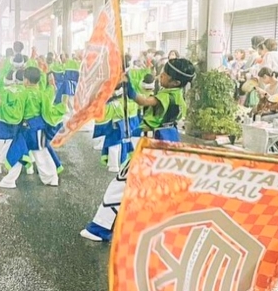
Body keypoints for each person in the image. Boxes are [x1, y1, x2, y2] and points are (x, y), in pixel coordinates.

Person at [81, 58, 196, 242]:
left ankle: (100, 228)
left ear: (176, 82)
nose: (161, 75)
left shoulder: (167, 96)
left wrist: (130, 88)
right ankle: (162, 229)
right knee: (158, 188)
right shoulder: (179, 96)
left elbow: (143, 100)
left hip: (151, 146)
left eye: (165, 74)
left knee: (121, 185)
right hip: (168, 144)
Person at [0, 66, 64, 189]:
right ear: (38, 80)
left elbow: (16, 114)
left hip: (26, 129)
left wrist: (2, 105)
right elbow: (49, 112)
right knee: (42, 154)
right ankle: (52, 178)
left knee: (18, 152)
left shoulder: (23, 94)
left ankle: (9, 181)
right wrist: (62, 108)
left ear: (25, 80)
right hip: (39, 129)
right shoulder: (42, 94)